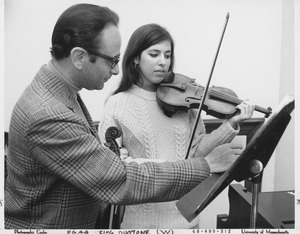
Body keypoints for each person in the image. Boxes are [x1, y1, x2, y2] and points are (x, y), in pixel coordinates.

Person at [5, 4, 241, 229]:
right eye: (112, 60)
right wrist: (206, 165)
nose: (117, 69)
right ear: (79, 57)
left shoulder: (59, 93)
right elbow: (119, 180)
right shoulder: (49, 114)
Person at [99, 23, 255, 229]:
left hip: (187, 220)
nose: (162, 62)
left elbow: (198, 152)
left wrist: (231, 123)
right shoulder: (117, 104)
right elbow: (114, 167)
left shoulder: (183, 101)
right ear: (136, 57)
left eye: (167, 55)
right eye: (154, 54)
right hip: (139, 224)